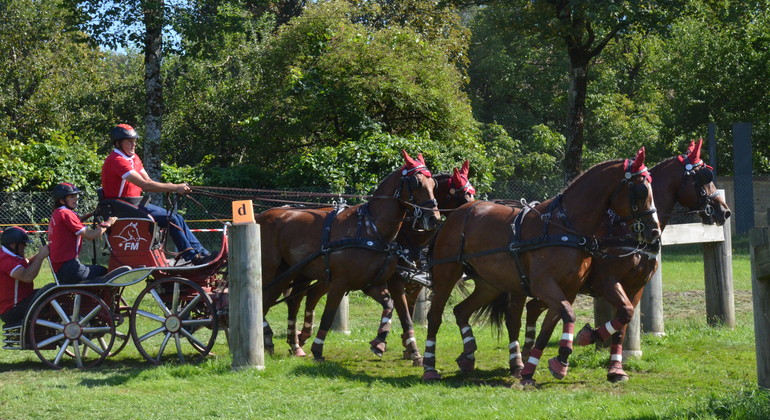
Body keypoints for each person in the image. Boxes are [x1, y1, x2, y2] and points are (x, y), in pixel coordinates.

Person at [101, 124, 213, 265]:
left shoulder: (133, 158)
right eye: (129, 141)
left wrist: (175, 188)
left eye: (135, 141)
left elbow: (147, 180)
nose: (134, 144)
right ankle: (192, 257)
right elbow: (145, 185)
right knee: (171, 218)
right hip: (122, 209)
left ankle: (201, 253)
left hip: (135, 205)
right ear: (118, 143)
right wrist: (175, 187)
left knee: (177, 217)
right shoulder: (116, 161)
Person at [48, 182, 118, 284]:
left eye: (76, 195)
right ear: (62, 200)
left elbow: (77, 220)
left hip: (62, 268)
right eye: (72, 196)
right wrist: (107, 223)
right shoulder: (66, 214)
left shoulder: (58, 212)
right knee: (104, 272)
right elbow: (90, 235)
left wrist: (92, 214)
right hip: (69, 268)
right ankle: (98, 299)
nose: (76, 198)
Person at [0, 227, 50, 324]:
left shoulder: (9, 254)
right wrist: (40, 256)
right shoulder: (5, 260)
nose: (25, 246)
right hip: (12, 309)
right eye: (23, 244)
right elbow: (27, 277)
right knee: (49, 299)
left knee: (49, 290)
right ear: (13, 245)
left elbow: (26, 263)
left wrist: (41, 253)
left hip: (22, 300)